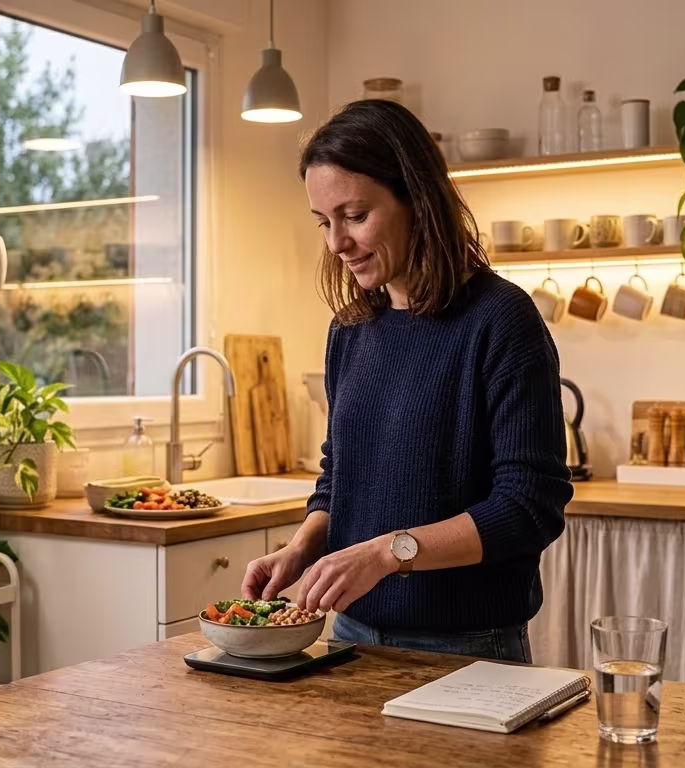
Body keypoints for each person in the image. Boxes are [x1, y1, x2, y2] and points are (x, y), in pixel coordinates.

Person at [241, 99, 573, 663]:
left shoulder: (500, 320)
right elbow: (339, 476)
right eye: (324, 222)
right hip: (350, 637)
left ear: (416, 200)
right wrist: (301, 548)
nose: (335, 243)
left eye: (355, 216)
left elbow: (529, 507)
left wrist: (387, 554)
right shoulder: (351, 330)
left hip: (469, 649)